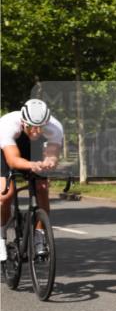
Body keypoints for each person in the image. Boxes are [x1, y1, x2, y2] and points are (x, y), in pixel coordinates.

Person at [0, 99, 64, 256]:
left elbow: (52, 155)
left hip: (32, 148)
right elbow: (13, 161)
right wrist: (31, 165)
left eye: (40, 127)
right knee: (5, 194)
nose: (35, 131)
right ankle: (2, 236)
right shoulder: (8, 125)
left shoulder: (54, 127)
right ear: (23, 122)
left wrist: (50, 162)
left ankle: (39, 235)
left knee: (41, 187)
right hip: (6, 150)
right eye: (31, 127)